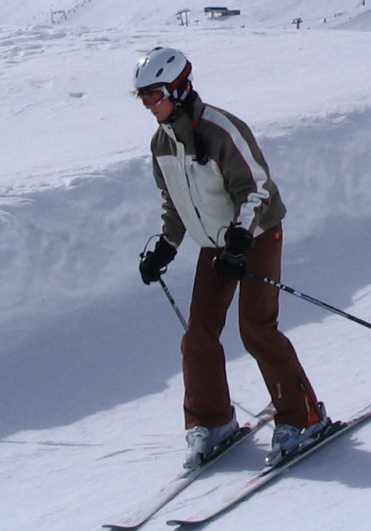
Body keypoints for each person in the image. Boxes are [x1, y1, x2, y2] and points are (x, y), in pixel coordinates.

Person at [131, 46, 328, 469]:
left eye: (154, 94)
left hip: (256, 234)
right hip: (216, 244)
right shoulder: (161, 143)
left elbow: (257, 187)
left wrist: (239, 240)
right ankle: (212, 421)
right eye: (142, 96)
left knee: (255, 328)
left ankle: (303, 418)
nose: (148, 104)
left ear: (179, 89)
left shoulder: (220, 130)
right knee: (199, 335)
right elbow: (175, 202)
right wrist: (166, 246)